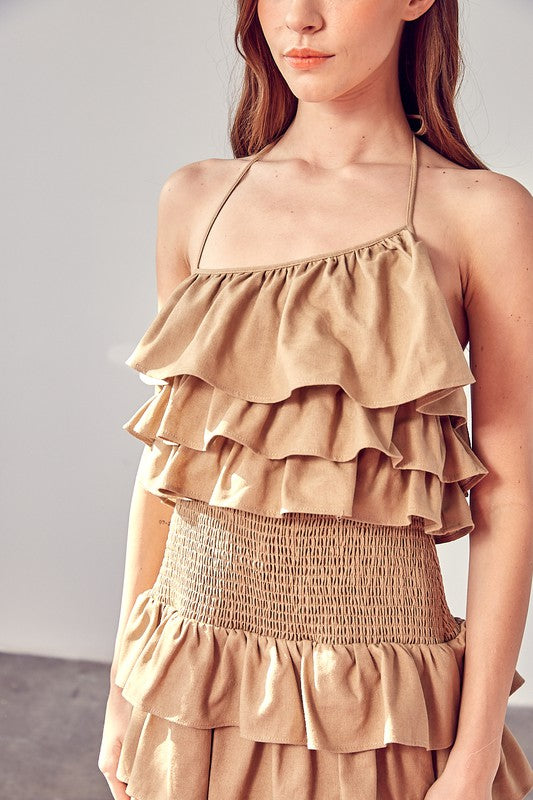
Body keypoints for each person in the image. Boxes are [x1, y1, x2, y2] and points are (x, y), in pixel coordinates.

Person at [98, 0, 533, 798]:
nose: (298, 17)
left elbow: (508, 493)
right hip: (189, 684)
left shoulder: (482, 212)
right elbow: (176, 462)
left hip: (378, 711)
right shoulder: (196, 199)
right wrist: (126, 682)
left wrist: (473, 752)